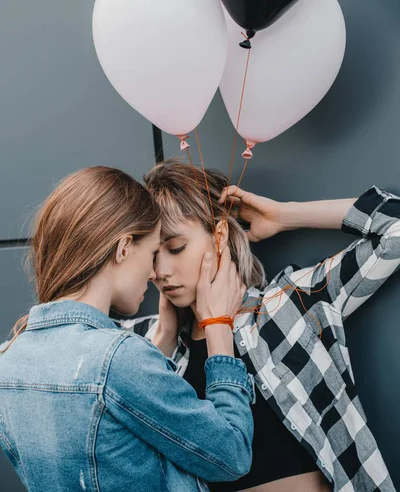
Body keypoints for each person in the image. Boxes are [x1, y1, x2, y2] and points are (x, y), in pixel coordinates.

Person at [118, 158, 399, 492]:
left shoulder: (289, 305)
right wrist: (162, 339)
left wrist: (283, 216)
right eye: (152, 254)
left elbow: (394, 230)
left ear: (219, 235)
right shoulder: (139, 343)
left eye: (176, 248)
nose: (160, 271)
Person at [0, 166, 255, 492]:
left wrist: (162, 338)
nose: (156, 274)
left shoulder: (9, 360)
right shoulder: (118, 359)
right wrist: (219, 328)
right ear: (123, 249)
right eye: (152, 254)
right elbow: (231, 454)